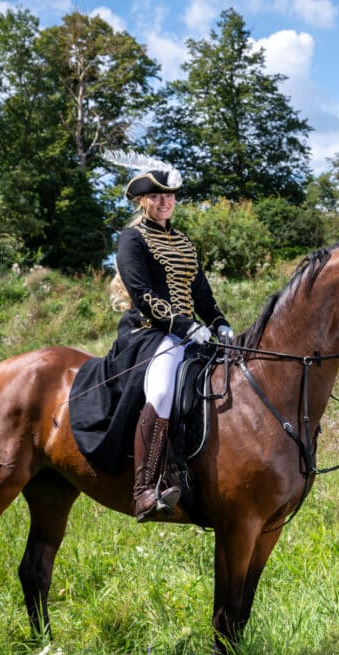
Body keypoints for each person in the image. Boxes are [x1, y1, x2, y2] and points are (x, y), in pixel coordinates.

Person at [110, 166, 233, 522]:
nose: (165, 202)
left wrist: (219, 322)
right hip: (147, 331)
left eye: (170, 196)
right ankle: (144, 489)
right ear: (144, 201)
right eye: (157, 197)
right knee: (163, 390)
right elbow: (141, 293)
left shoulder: (183, 241)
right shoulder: (132, 238)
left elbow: (201, 291)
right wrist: (182, 325)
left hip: (191, 332)